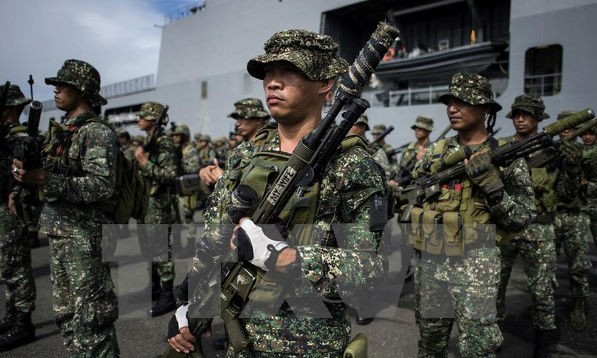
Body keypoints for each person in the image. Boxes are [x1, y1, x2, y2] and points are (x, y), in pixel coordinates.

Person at [167, 28, 388, 357]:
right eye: (268, 73)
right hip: (235, 339)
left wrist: (283, 257)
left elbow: (371, 274)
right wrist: (188, 308)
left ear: (324, 83)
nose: (272, 82)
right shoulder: (246, 156)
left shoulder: (353, 166)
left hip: (307, 346)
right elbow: (213, 243)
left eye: (288, 71)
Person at [403, 72, 535, 358]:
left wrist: (494, 189)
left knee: (478, 348)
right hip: (432, 262)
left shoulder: (506, 155)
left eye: (463, 101)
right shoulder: (436, 153)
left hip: (477, 265)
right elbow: (413, 194)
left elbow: (523, 217)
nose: (453, 108)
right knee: (429, 346)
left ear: (486, 108)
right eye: (450, 101)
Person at [13, 59, 120, 356]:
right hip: (61, 233)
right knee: (68, 318)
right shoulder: (64, 131)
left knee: (93, 322)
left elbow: (101, 186)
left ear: (82, 90)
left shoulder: (96, 132)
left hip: (84, 238)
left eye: (63, 85)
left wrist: (46, 178)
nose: (56, 89)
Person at [497, 94, 567, 357]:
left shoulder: (552, 151)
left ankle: (543, 340)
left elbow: (566, 190)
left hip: (539, 228)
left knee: (542, 289)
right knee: (495, 286)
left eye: (526, 114)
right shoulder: (502, 148)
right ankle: (493, 333)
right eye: (516, 114)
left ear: (538, 118)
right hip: (506, 228)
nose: (520, 119)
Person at [0, 84, 37, 351]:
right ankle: (12, 315)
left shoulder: (21, 137)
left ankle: (23, 323)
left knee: (17, 267)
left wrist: (15, 192)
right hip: (4, 207)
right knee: (7, 267)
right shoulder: (6, 135)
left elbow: (26, 174)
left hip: (13, 209)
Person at [135, 101, 179, 317]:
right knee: (148, 248)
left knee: (160, 250)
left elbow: (170, 175)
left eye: (142, 116)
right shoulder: (149, 140)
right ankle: (155, 287)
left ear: (153, 118)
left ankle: (168, 295)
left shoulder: (164, 143)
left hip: (158, 205)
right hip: (145, 204)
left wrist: (145, 163)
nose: (138, 120)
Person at [553, 110, 591, 331]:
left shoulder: (587, 152)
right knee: (546, 267)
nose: (566, 129)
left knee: (578, 266)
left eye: (570, 125)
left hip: (576, 215)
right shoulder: (552, 151)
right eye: (562, 125)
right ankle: (543, 304)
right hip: (553, 214)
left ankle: (578, 305)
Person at [396, 116, 434, 185]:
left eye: (420, 128)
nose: (417, 130)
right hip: (403, 184)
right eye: (416, 128)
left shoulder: (433, 148)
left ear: (428, 130)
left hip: (421, 184)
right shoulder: (409, 148)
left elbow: (433, 170)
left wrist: (423, 160)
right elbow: (400, 168)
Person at [581, 123, 597, 246]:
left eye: (591, 134)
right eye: (584, 134)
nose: (587, 137)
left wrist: (588, 184)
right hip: (581, 203)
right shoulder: (578, 150)